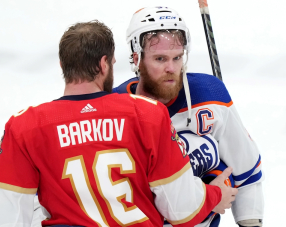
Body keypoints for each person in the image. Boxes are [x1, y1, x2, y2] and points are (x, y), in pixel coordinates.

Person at [0, 20, 237, 227]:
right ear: (104, 64)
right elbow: (183, 211)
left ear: (63, 65)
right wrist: (216, 195)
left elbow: (4, 219)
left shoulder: (24, 126)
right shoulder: (148, 114)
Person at [113, 6, 264, 227]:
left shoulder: (210, 94)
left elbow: (247, 171)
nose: (171, 68)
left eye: (177, 58)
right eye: (160, 59)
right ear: (137, 58)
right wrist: (208, 197)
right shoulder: (114, 107)